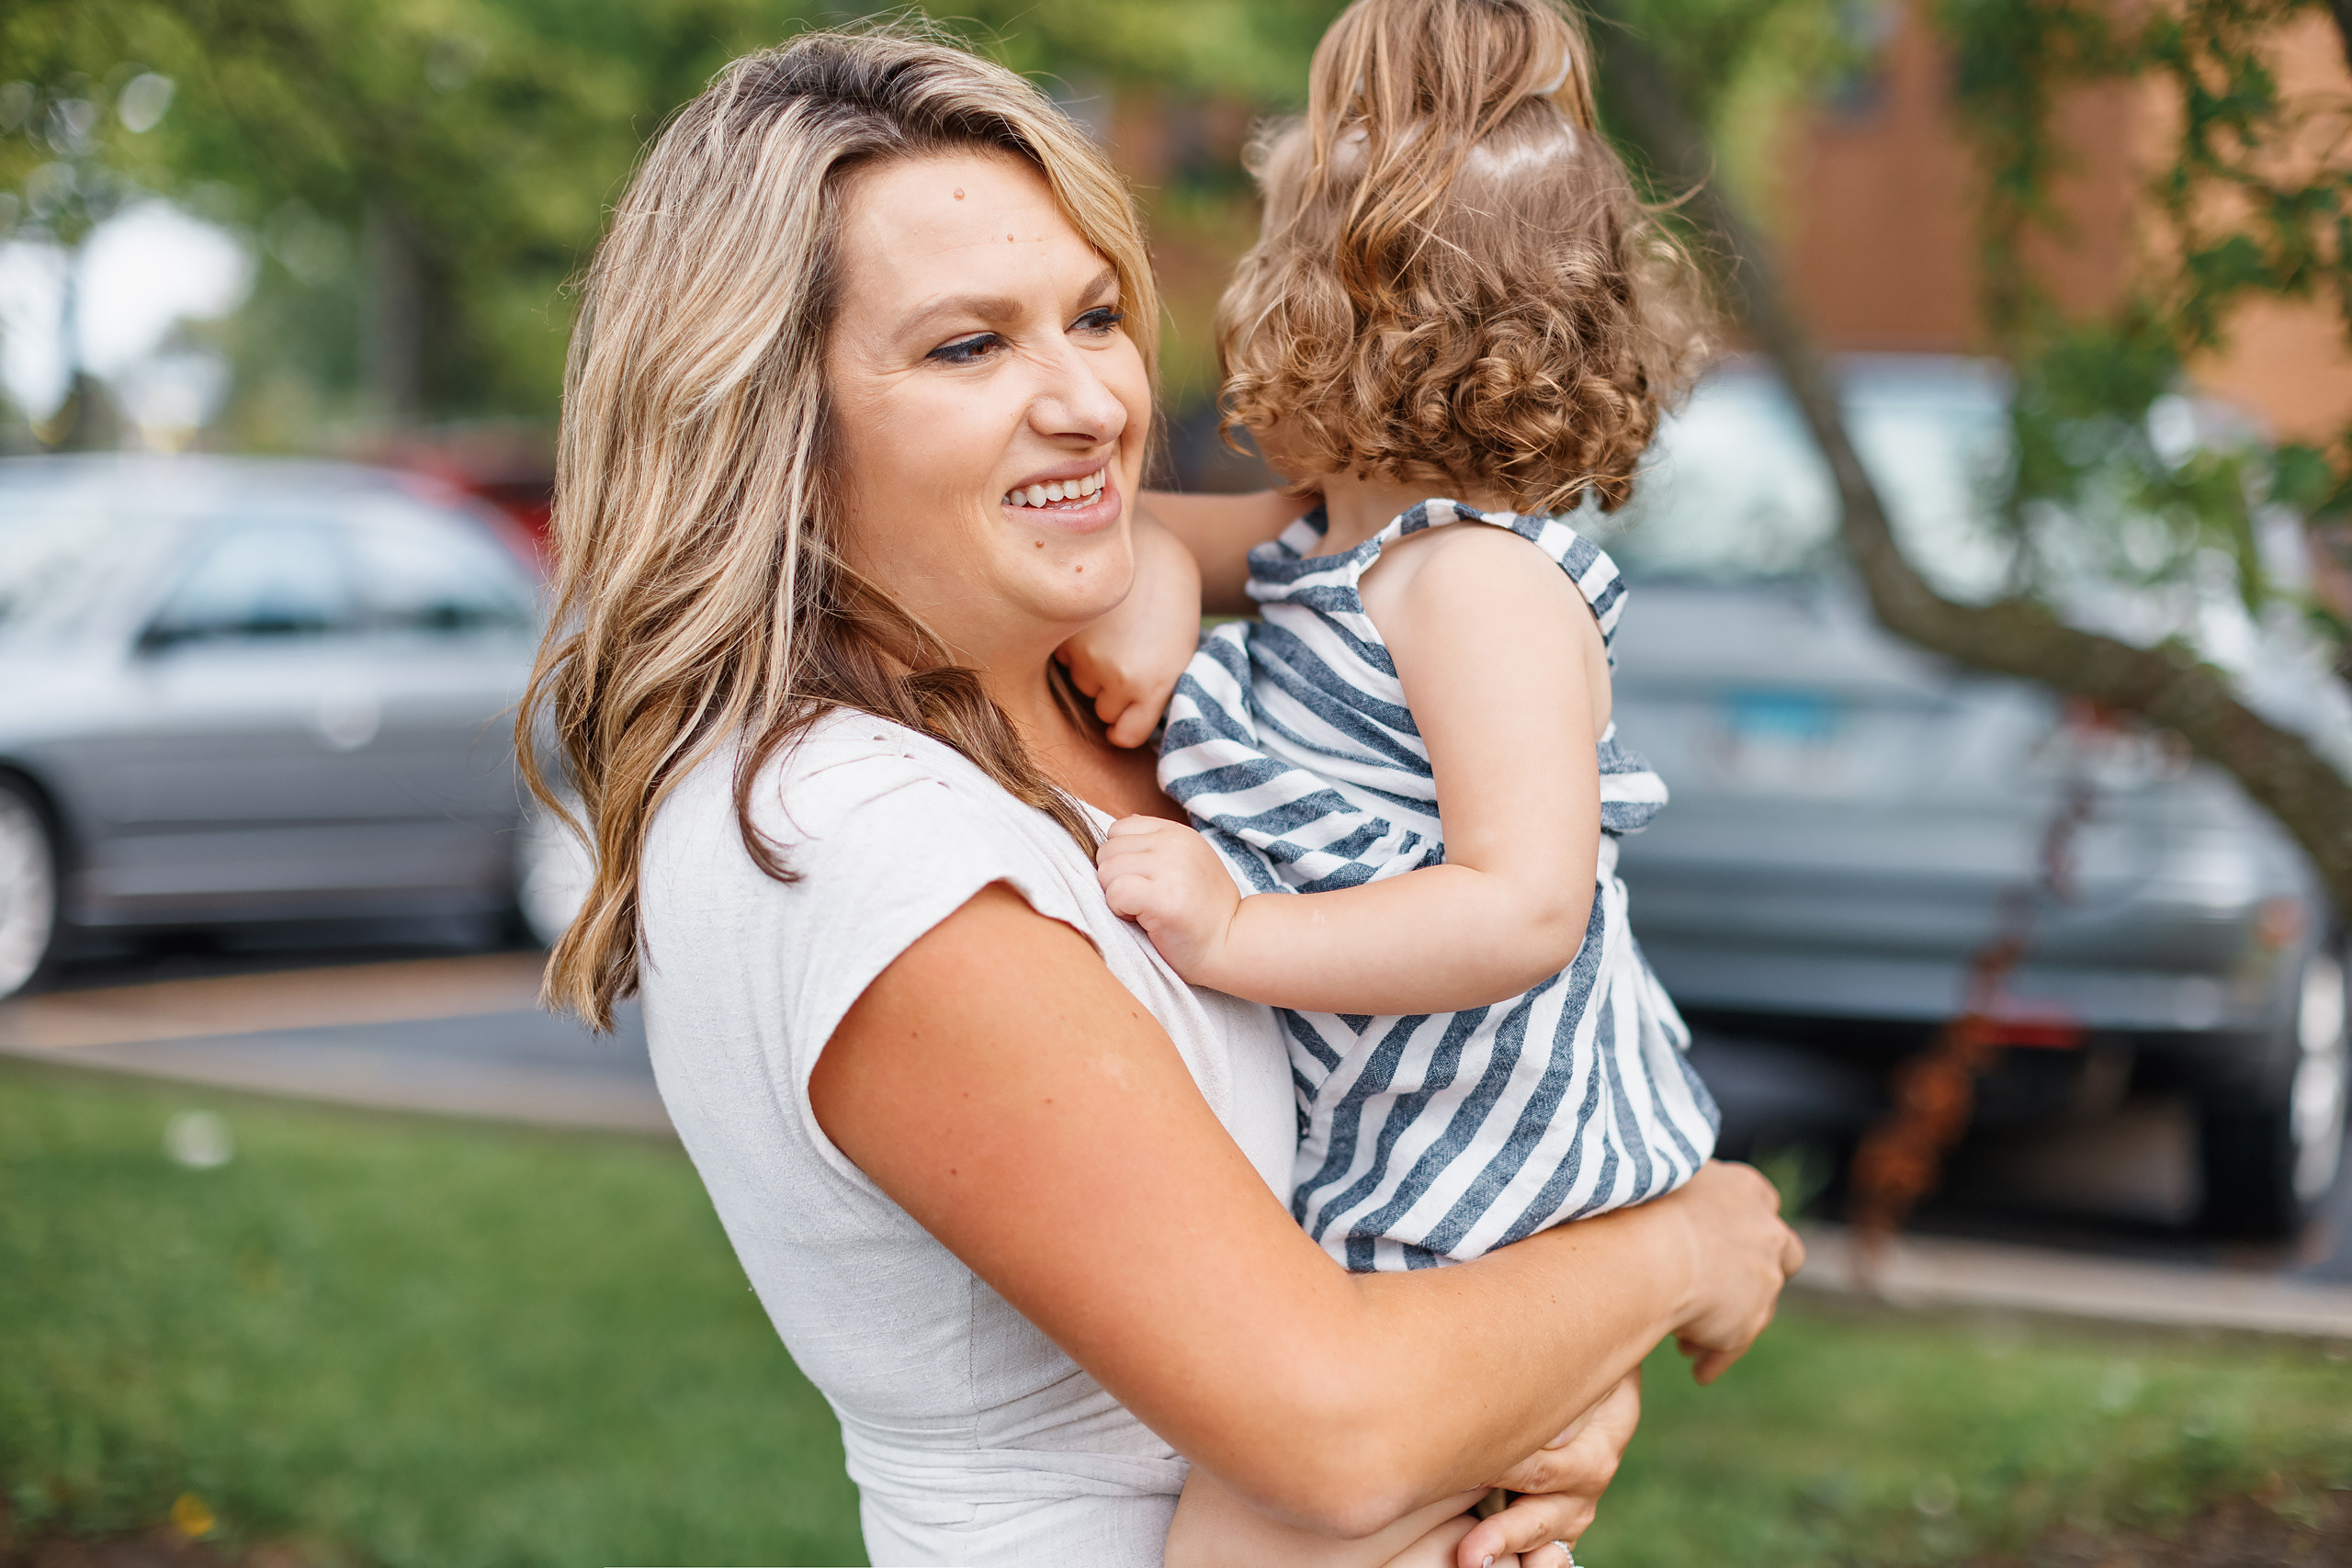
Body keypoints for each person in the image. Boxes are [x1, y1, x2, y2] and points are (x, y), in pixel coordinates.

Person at [522, 24, 1803, 1568]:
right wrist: (1685, 1249)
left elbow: (1461, 1123)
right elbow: (1336, 1428)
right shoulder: (853, 841)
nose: (1091, 404)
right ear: (766, 426)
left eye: (1099, 315)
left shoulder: (1125, 700)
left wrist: (1543, 1402)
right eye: (966, 346)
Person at [1057, 0, 1726, 1559]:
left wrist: (1234, 938)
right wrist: (1155, 630)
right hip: (1405, 1119)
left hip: (1476, 1140)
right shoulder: (1326, 543)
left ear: (1325, 307)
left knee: (1267, 1520)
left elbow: (1525, 908)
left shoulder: (1474, 584)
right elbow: (1140, 537)